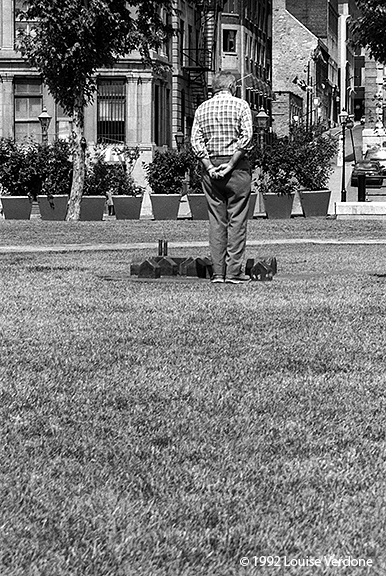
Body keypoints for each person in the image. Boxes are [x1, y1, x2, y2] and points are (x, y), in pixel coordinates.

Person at [191, 70, 253, 284]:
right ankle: (234, 272)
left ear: (214, 88)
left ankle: (218, 273)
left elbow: (196, 142)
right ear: (233, 87)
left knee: (217, 221)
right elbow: (246, 137)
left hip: (211, 170)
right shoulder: (241, 105)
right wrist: (231, 164)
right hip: (236, 168)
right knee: (237, 219)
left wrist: (209, 166)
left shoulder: (202, 109)